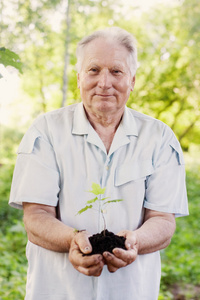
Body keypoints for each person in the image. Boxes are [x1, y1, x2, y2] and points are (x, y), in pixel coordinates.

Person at [9, 27, 188, 300]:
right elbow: (36, 216)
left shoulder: (159, 138)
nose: (104, 82)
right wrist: (71, 240)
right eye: (94, 70)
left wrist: (136, 242)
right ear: (79, 78)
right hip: (58, 291)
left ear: (133, 80)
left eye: (116, 71)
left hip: (131, 292)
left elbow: (162, 219)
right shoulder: (45, 132)